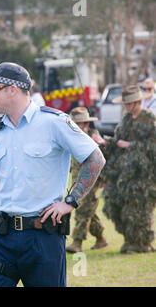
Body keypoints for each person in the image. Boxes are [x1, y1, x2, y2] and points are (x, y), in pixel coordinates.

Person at [0, 62, 105, 287]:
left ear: (12, 89)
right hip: (0, 237)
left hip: (43, 237)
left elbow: (95, 158)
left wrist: (70, 202)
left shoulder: (54, 122)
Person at [102, 85, 156, 254]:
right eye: (124, 103)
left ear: (138, 102)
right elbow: (118, 141)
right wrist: (105, 143)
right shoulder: (126, 120)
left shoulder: (150, 119)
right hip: (123, 173)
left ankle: (141, 244)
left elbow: (153, 147)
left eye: (128, 103)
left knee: (139, 211)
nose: (125, 106)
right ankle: (130, 241)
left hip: (144, 175)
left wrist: (131, 145)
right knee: (113, 205)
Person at [65, 107, 108, 253]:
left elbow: (103, 159)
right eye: (79, 124)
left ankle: (77, 243)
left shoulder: (93, 136)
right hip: (76, 181)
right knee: (89, 211)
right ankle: (101, 238)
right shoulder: (69, 137)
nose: (82, 127)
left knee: (82, 210)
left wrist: (102, 143)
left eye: (85, 124)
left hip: (92, 182)